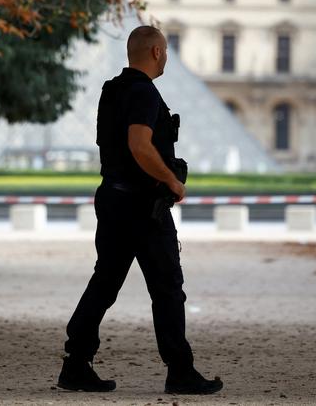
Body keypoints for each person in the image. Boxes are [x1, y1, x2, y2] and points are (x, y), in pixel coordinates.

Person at [57, 26, 223, 395]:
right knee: (167, 289)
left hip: (113, 198)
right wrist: (172, 181)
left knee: (105, 283)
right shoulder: (145, 93)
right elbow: (140, 145)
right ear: (158, 52)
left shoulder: (112, 91)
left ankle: (75, 364)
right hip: (142, 206)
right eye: (165, 51)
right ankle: (180, 371)